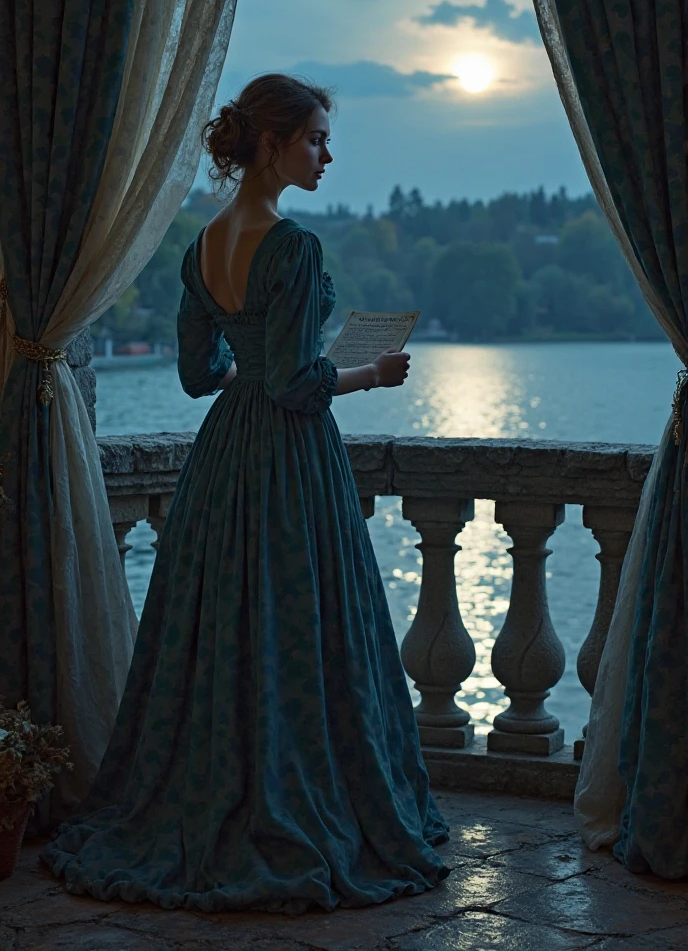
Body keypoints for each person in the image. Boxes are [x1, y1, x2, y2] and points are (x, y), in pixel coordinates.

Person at [41, 73, 450, 913]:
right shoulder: (293, 247)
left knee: (223, 622)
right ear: (271, 144)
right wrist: (373, 373)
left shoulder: (201, 247)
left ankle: (213, 789)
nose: (327, 156)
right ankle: (305, 799)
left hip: (224, 455)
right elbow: (300, 385)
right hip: (291, 461)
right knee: (302, 619)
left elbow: (199, 376)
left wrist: (255, 370)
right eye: (315, 140)